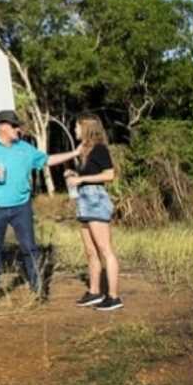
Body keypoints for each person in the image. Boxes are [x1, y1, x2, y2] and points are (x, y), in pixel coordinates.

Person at [0, 110, 71, 299]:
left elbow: (47, 160)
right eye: (14, 126)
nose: (19, 129)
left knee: (29, 247)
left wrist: (74, 153)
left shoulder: (25, 148)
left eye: (18, 126)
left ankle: (38, 288)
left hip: (21, 206)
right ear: (2, 127)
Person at [62, 114, 121, 311]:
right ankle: (94, 292)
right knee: (90, 251)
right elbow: (88, 176)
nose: (74, 130)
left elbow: (109, 174)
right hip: (84, 200)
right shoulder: (84, 151)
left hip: (95, 199)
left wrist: (80, 180)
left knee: (105, 250)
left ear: (86, 128)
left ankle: (113, 297)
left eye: (77, 127)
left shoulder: (99, 148)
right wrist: (75, 175)